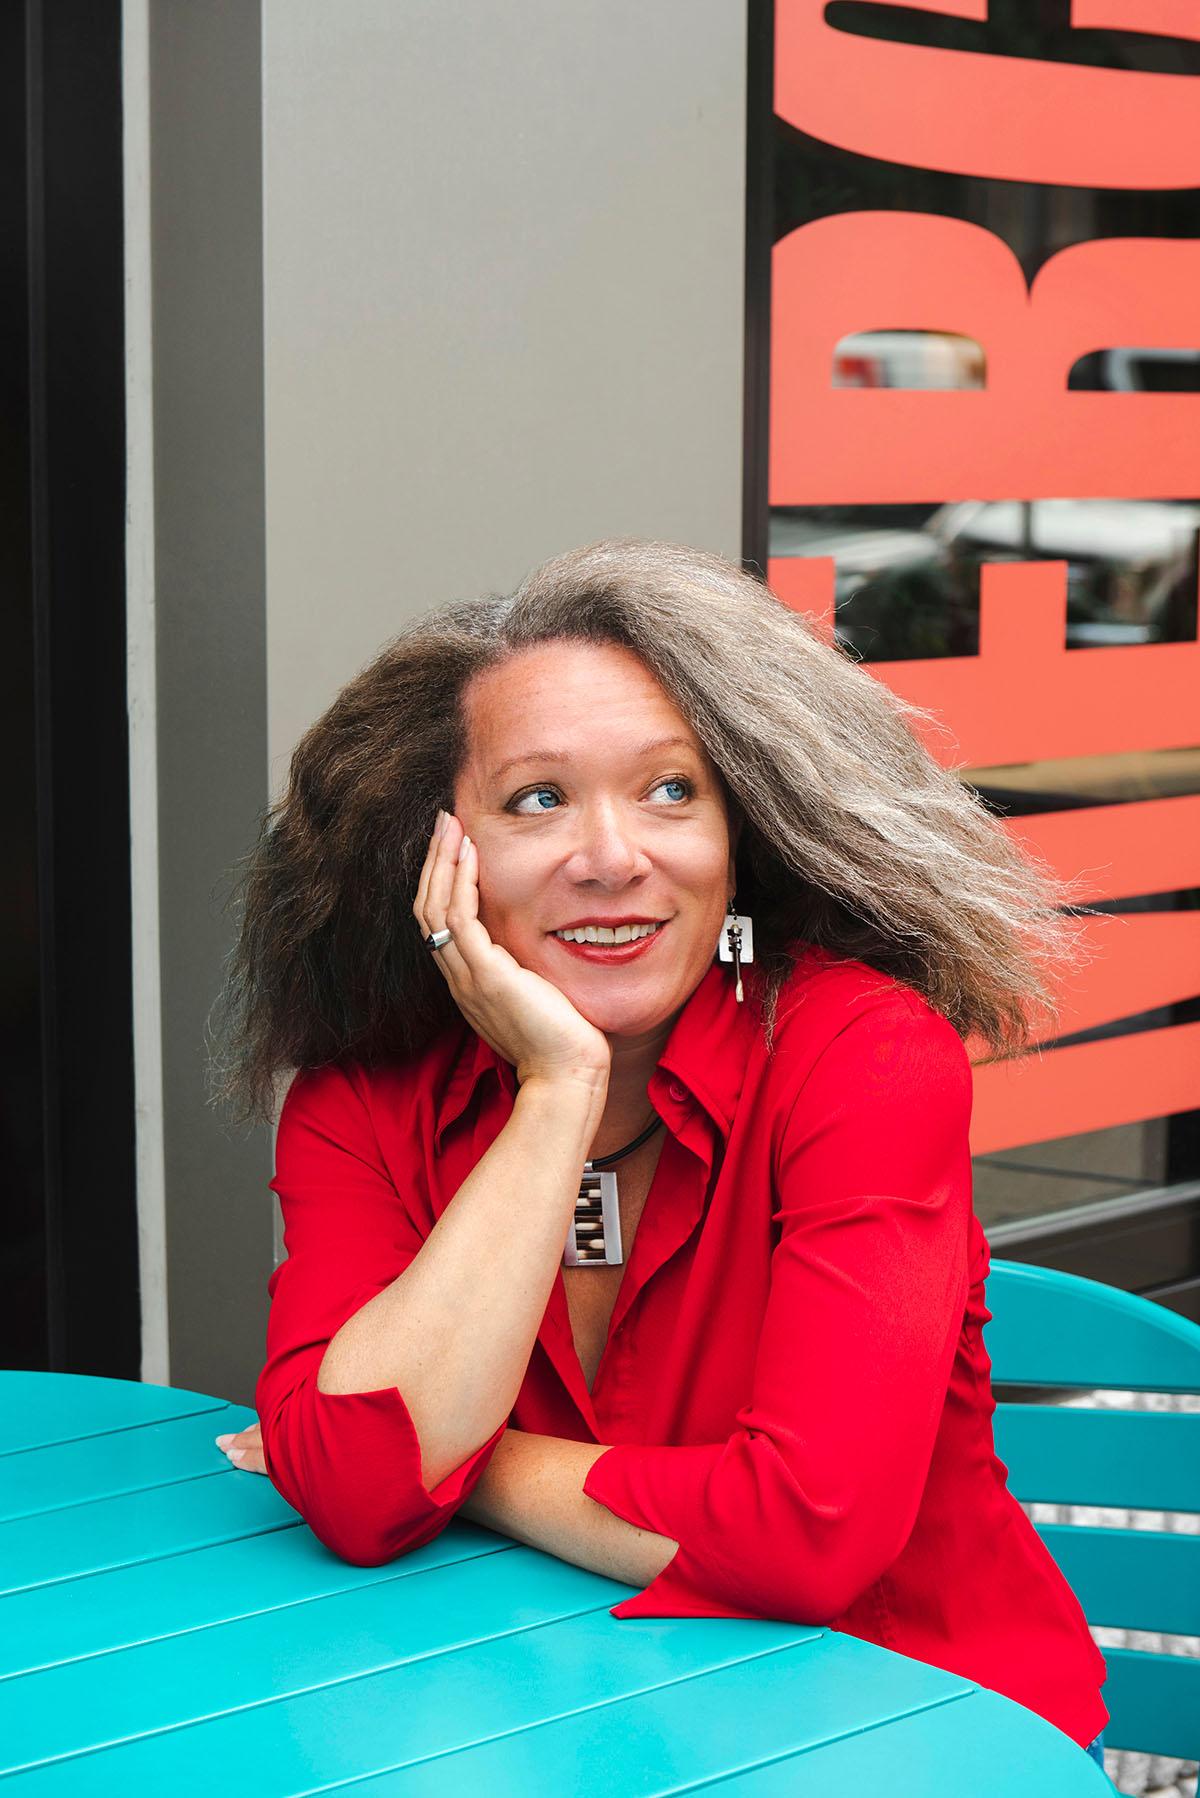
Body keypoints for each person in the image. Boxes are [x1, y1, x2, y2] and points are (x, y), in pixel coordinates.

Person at [208, 538, 1109, 1764]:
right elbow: (360, 1502)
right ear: (436, 854)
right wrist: (556, 1088)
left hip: (916, 1726)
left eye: (672, 791)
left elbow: (807, 1534)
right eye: (538, 799)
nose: (612, 856)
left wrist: (460, 1462)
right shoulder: (362, 1102)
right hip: (556, 1716)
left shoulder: (863, 1059)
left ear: (743, 834)